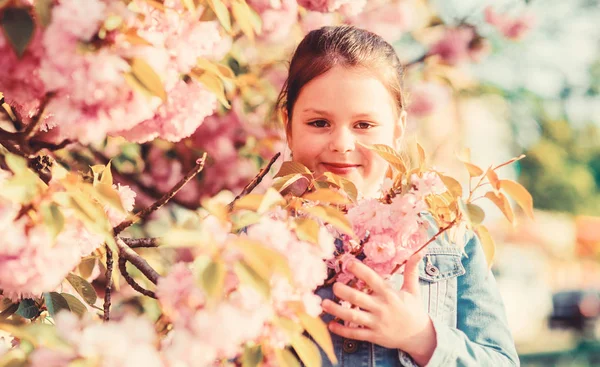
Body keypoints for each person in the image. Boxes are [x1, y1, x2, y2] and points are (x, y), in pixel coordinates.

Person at [276, 25, 520, 367]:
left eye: (363, 125)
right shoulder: (258, 241)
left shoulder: (447, 238)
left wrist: (421, 337)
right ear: (288, 126)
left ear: (398, 128)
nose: (342, 144)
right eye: (319, 123)